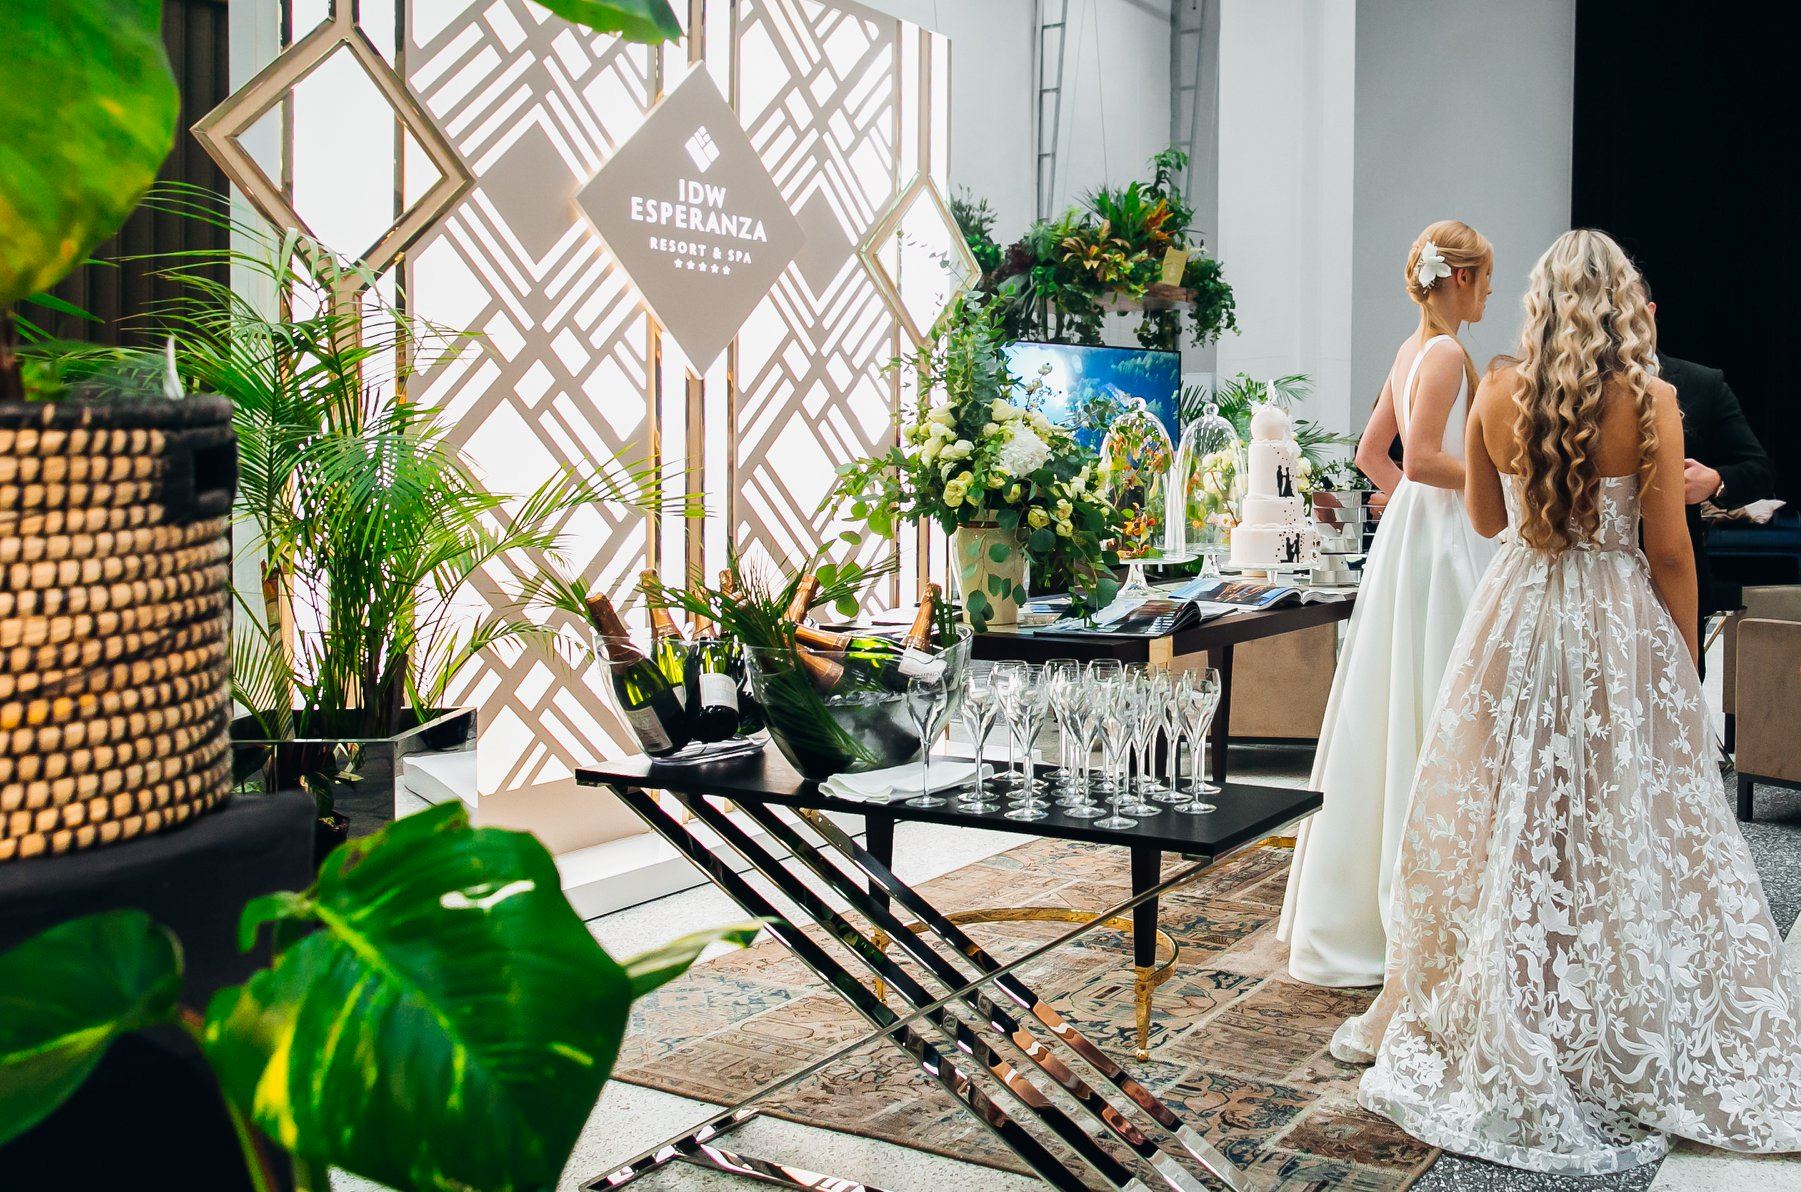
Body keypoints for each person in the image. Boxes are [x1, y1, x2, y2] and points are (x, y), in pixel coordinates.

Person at [1328, 230, 1801, 1174]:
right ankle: (1608, 1007)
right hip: (1614, 622)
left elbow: (1483, 520)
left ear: (1538, 301)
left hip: (1513, 616)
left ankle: (1523, 993)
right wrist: (1680, 664)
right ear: (1624, 303)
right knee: (1618, 813)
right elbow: (1669, 551)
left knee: (1517, 813)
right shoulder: (1651, 400)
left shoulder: (1497, 388)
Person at [1277, 221, 1500, 987]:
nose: (1489, 293)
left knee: (1403, 691)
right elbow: (1428, 456)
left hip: (1416, 533)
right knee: (1441, 691)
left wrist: (1406, 503)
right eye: (1485, 279)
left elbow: (1373, 456)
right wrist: (1496, 480)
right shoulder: (1441, 354)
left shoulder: (1409, 351)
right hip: (1442, 543)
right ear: (1460, 278)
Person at [1643, 281, 1778, 649]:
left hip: (1680, 578)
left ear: (1650, 312)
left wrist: (1716, 481)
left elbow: (1760, 470)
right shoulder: (1579, 385)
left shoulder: (1702, 383)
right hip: (1598, 576)